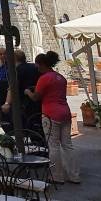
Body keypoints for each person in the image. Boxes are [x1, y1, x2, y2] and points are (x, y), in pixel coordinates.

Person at [26, 51, 80, 184]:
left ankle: (56, 176)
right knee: (67, 145)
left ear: (42, 64)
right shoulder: (60, 77)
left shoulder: (44, 78)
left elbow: (36, 97)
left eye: (38, 66)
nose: (37, 69)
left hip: (50, 114)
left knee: (53, 145)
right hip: (65, 112)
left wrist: (27, 92)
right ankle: (74, 175)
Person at [3, 49, 42, 140]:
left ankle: (25, 148)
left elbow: (12, 87)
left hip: (22, 104)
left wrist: (7, 103)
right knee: (37, 129)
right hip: (37, 101)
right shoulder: (34, 67)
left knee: (22, 129)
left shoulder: (14, 71)